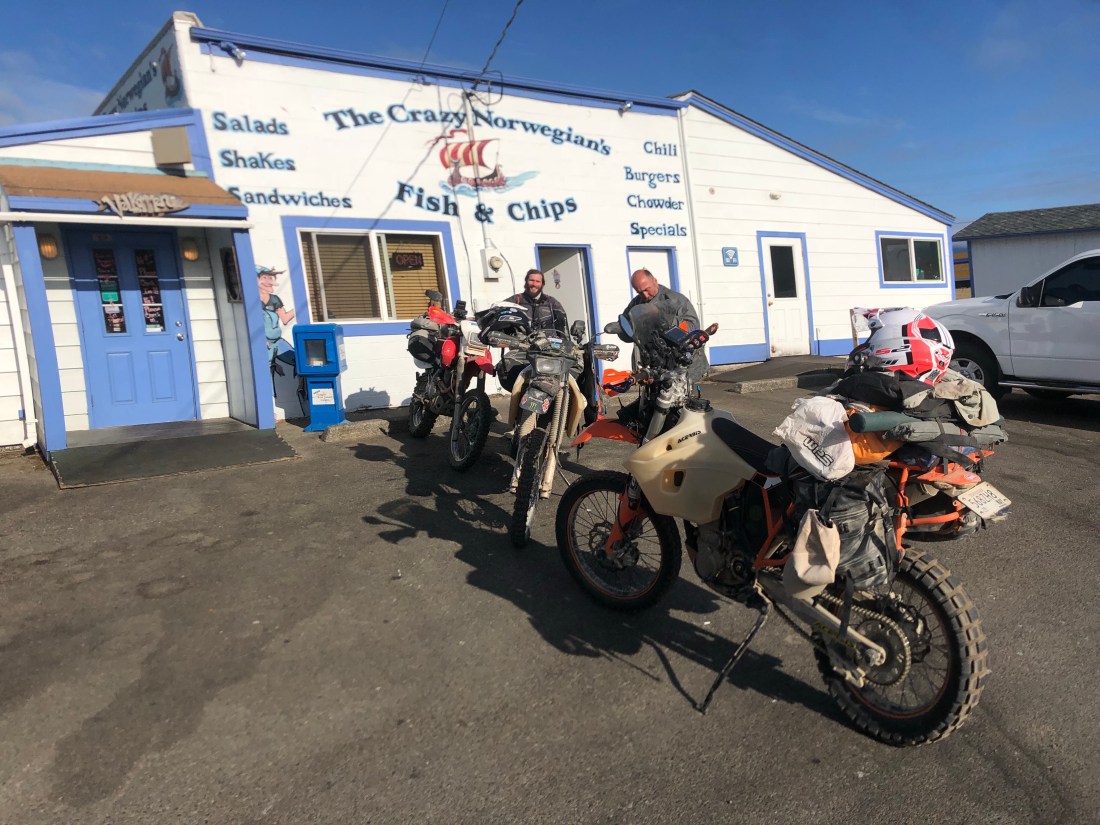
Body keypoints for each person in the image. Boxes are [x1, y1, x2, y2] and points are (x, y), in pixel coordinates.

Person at [624, 268, 708, 384]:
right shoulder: (636, 303)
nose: (645, 295)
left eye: (647, 289)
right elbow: (626, 324)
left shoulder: (676, 300)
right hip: (654, 365)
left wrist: (668, 322)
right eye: (640, 292)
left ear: (655, 281)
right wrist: (620, 328)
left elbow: (693, 325)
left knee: (680, 394)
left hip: (681, 364)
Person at [497, 268, 568, 391]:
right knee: (506, 367)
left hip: (549, 350)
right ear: (526, 281)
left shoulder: (552, 303)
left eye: (537, 281)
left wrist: (566, 345)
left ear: (542, 284)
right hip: (522, 350)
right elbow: (497, 315)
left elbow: (563, 326)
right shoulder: (515, 301)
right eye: (531, 280)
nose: (534, 284)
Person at [257, 265, 295, 371]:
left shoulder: (274, 299)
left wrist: (299, 308)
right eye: (264, 278)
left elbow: (285, 319)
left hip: (278, 341)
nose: (268, 281)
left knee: (297, 360)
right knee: (267, 369)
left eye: (270, 278)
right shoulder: (253, 301)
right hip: (265, 343)